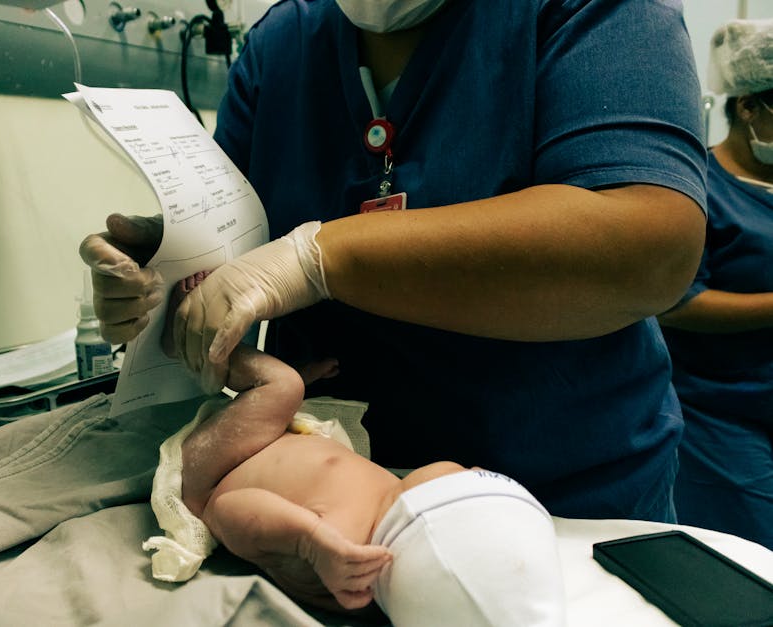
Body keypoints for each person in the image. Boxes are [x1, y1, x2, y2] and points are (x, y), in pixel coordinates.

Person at [81, 0, 708, 521]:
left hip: (565, 494)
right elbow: (239, 239)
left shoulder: (590, 13)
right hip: (322, 492)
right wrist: (166, 277)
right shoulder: (283, 45)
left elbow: (647, 245)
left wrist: (320, 258)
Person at [145, 275, 566, 626]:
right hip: (281, 440)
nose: (474, 467)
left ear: (433, 527)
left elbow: (225, 510)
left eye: (465, 477)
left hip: (212, 473)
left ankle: (192, 338)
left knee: (283, 388)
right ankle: (272, 385)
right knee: (307, 404)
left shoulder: (340, 549)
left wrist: (306, 542)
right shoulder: (389, 512)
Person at [658, 19, 773, 550]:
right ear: (748, 106)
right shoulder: (698, 188)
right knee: (752, 551)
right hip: (720, 411)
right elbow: (674, 302)